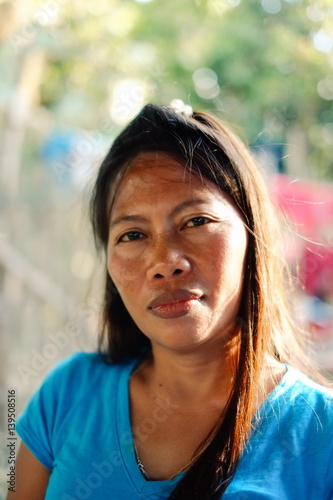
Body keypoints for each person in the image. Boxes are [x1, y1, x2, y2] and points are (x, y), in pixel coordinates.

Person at [10, 101, 333, 500]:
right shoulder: (67, 395)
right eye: (132, 235)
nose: (164, 263)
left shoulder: (322, 431)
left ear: (252, 237)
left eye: (196, 221)